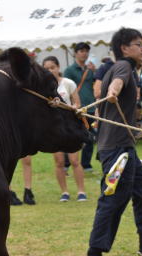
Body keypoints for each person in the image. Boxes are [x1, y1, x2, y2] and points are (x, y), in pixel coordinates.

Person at [87, 27, 142, 256]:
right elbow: (117, 82)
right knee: (113, 200)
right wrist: (114, 91)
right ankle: (94, 252)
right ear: (124, 48)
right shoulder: (123, 66)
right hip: (116, 149)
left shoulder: (121, 68)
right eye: (138, 44)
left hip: (124, 147)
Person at [43, 56, 87, 202]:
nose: (50, 70)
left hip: (70, 126)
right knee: (59, 162)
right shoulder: (43, 88)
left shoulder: (68, 83)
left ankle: (81, 191)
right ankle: (65, 192)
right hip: (53, 128)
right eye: (46, 68)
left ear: (58, 68)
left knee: (75, 161)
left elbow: (77, 104)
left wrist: (69, 107)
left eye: (52, 67)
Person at [64, 42, 96, 172]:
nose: (84, 53)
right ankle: (66, 164)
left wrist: (94, 72)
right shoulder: (69, 70)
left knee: (90, 136)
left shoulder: (90, 70)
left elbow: (95, 86)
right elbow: (65, 89)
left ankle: (86, 164)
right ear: (75, 53)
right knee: (72, 136)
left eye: (86, 51)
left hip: (90, 107)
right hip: (75, 109)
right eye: (81, 51)